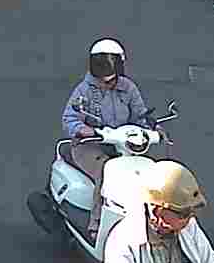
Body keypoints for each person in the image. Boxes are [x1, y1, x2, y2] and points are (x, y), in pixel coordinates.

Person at [60, 39, 151, 238]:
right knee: (107, 172)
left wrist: (153, 129)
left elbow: (140, 115)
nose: (104, 78)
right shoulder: (84, 90)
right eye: (99, 63)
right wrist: (83, 130)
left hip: (122, 145)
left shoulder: (128, 88)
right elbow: (69, 118)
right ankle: (97, 225)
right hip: (90, 146)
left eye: (109, 63)